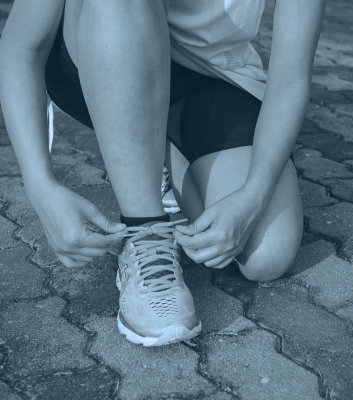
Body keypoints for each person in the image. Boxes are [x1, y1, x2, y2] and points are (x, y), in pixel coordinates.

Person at [0, 0, 326, 346]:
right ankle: (145, 231)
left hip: (212, 76)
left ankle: (144, 150)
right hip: (101, 45)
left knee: (265, 255)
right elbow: (21, 47)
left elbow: (291, 78)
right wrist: (40, 185)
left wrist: (253, 196)